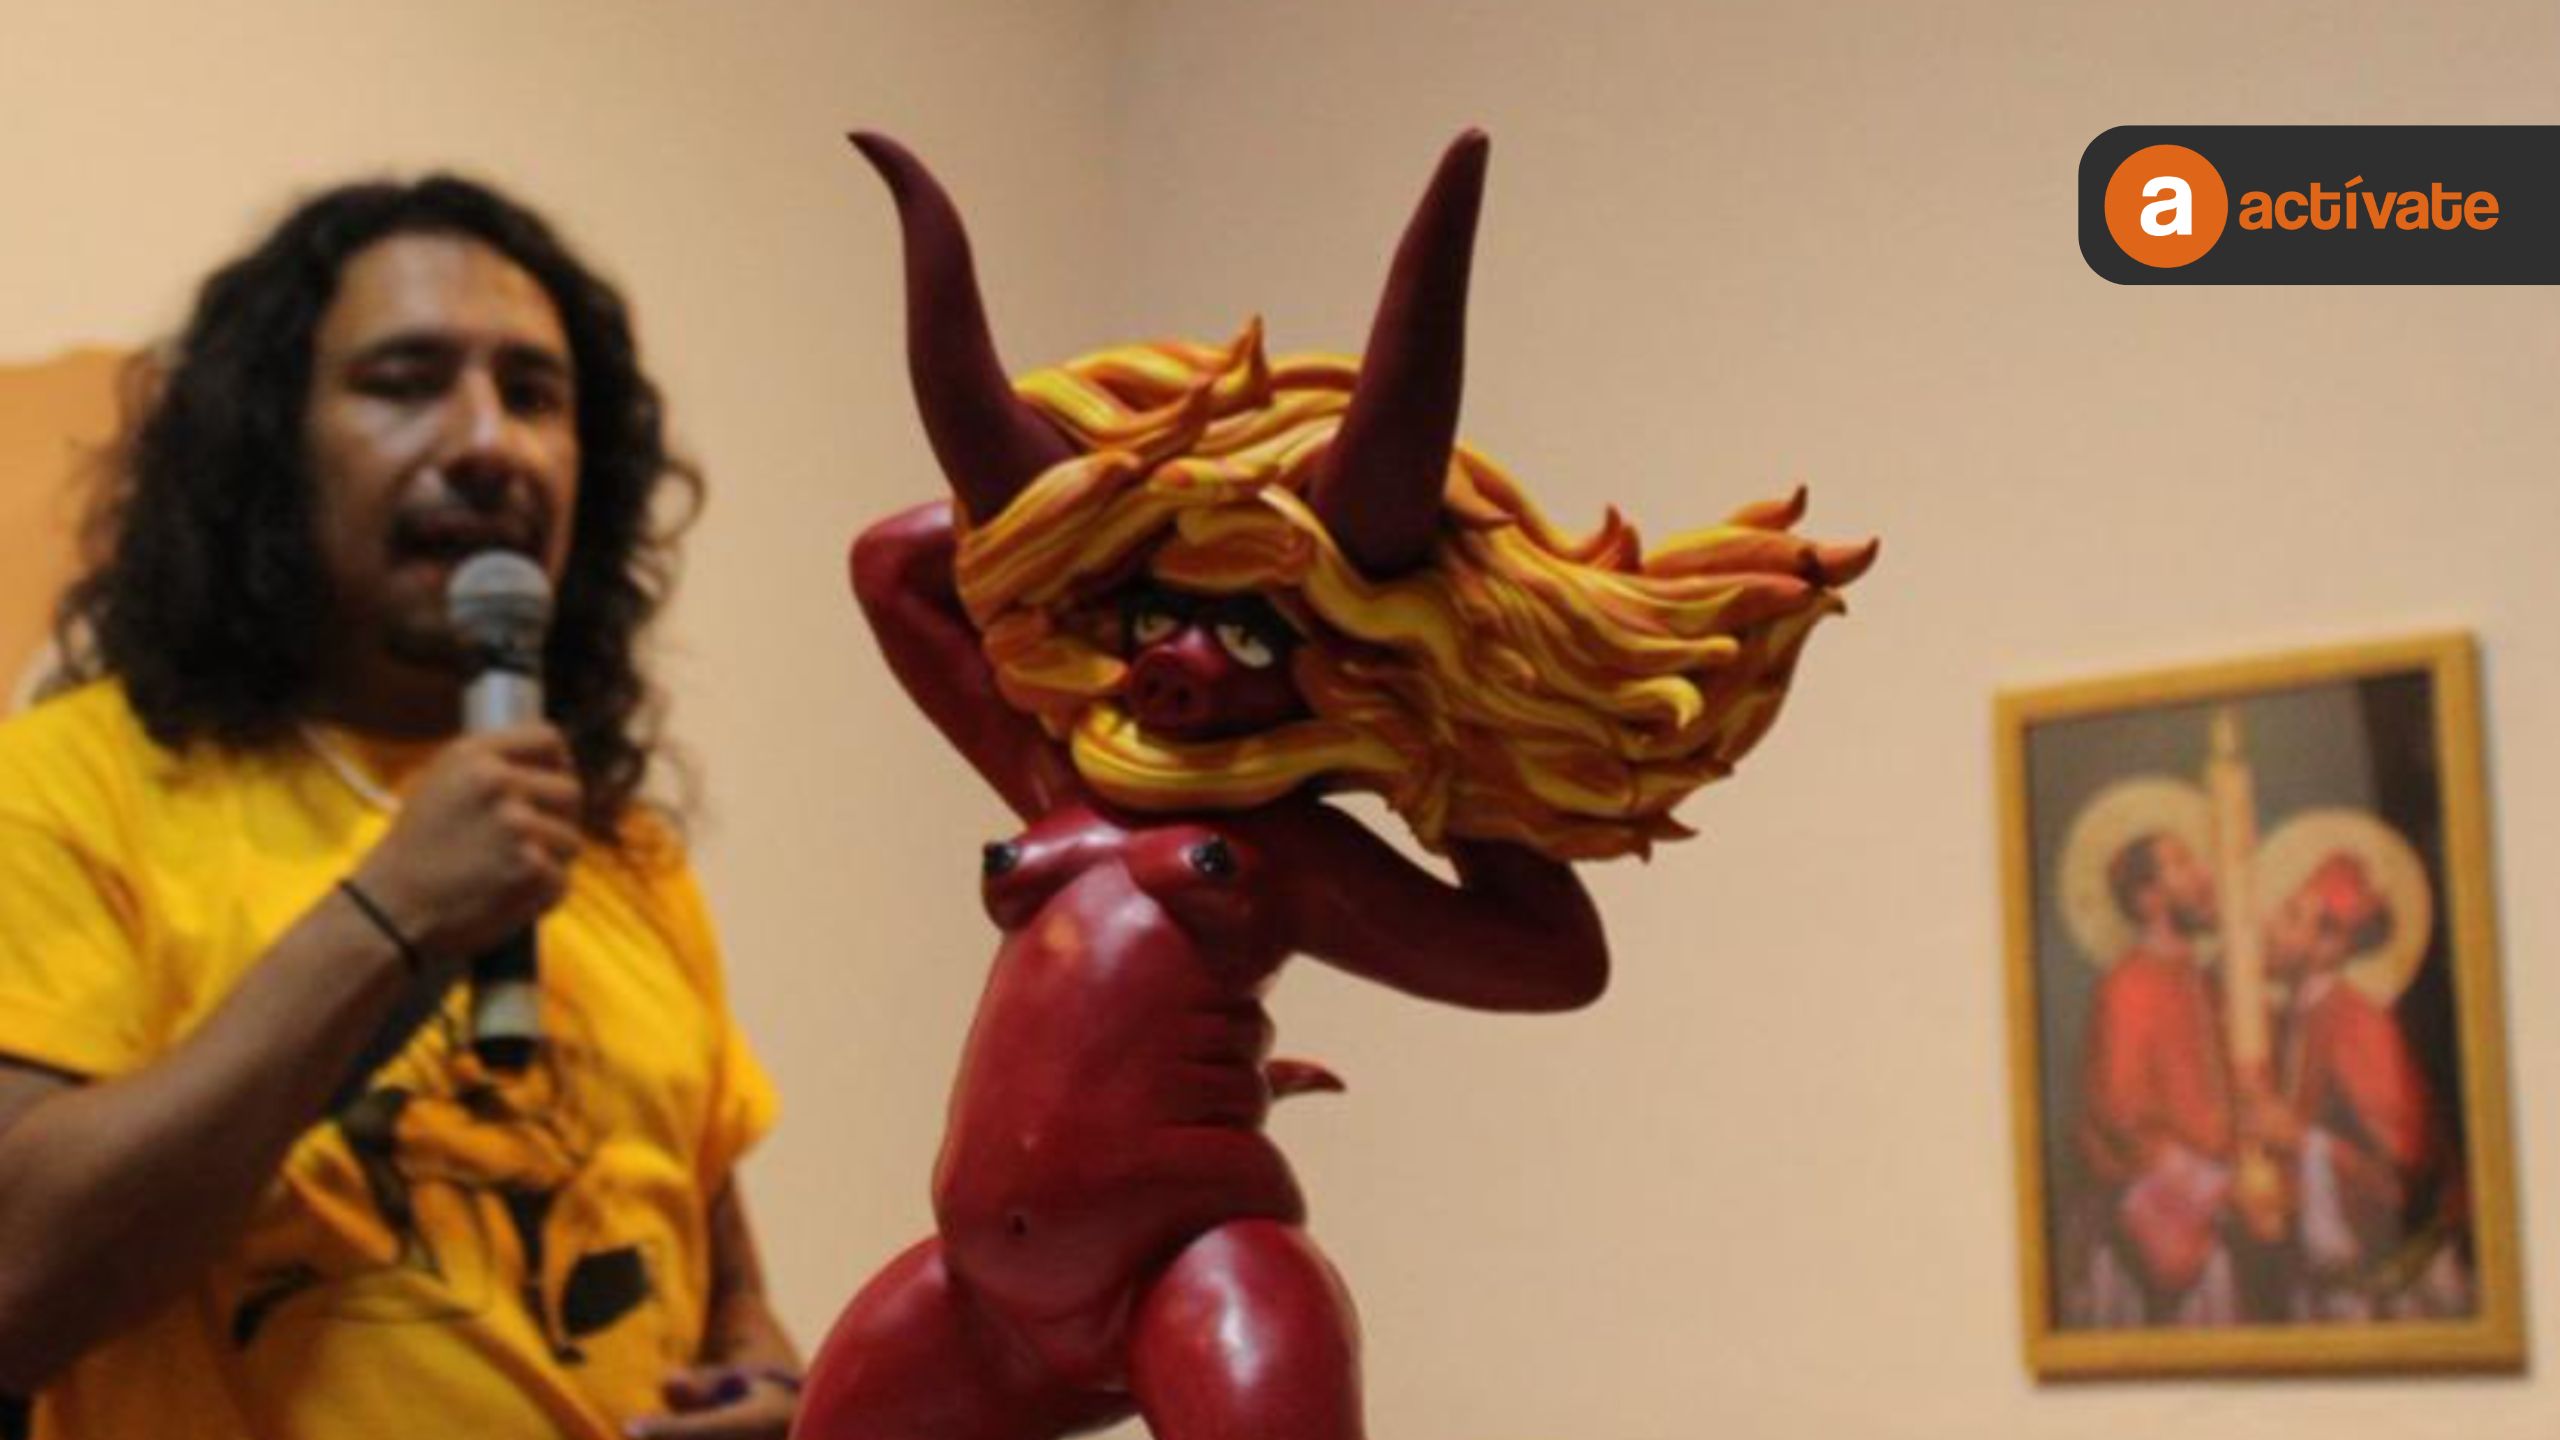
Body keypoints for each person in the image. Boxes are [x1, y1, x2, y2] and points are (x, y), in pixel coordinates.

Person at [0, 176, 798, 1439]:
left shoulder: (618, 849)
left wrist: (771, 1386)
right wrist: (390, 917)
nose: (489, 442)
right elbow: (17, 1277)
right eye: (405, 382)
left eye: (532, 395)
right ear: (269, 443)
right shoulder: (66, 784)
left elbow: (725, 1292)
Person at [2248, 851, 2472, 1320]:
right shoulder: (2294, 1016)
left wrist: (2302, 1141)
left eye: (2291, 916)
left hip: (2392, 1275)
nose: (2269, 927)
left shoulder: (2358, 1024)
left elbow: (2406, 1164)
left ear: (2331, 945)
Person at [2067, 831, 2244, 1326]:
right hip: (2157, 1224)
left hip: (2216, 1224)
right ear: (2148, 899)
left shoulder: (2204, 983)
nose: (2204, 875)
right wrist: (2219, 1189)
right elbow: (2123, 1117)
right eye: (2183, 865)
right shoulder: (2128, 988)